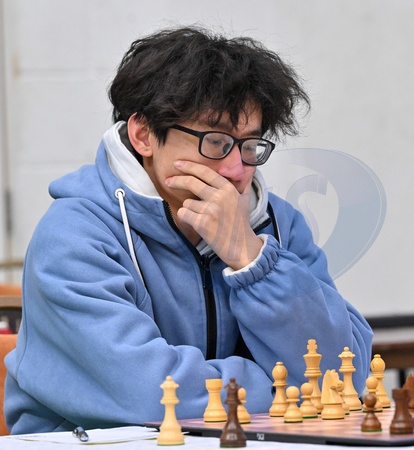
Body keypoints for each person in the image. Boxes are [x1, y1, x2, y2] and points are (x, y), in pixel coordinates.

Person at [4, 25, 373, 434]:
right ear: (144, 135)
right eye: (215, 142)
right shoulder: (74, 235)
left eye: (250, 145)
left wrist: (252, 260)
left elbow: (345, 375)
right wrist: (288, 389)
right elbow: (147, 394)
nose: (236, 170)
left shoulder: (278, 225)